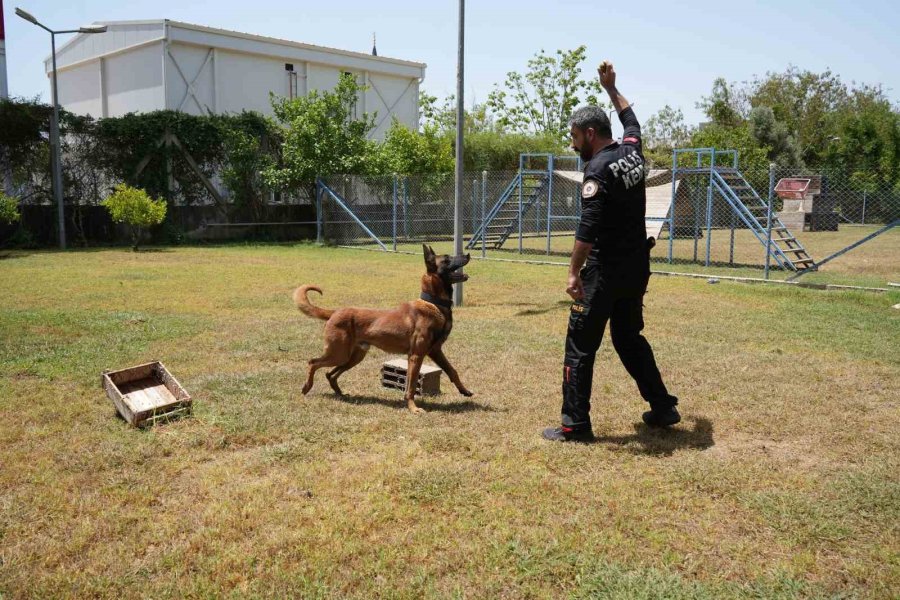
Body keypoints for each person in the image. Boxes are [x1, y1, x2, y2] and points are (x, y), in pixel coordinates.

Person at [542, 61, 680, 442]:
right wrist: (611, 88)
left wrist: (573, 273)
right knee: (628, 338)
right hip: (636, 267)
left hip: (603, 272)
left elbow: (588, 230)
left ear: (589, 133)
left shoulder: (598, 171)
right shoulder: (632, 153)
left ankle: (575, 425)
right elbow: (631, 122)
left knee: (580, 347)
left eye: (574, 137)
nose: (572, 144)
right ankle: (663, 406)